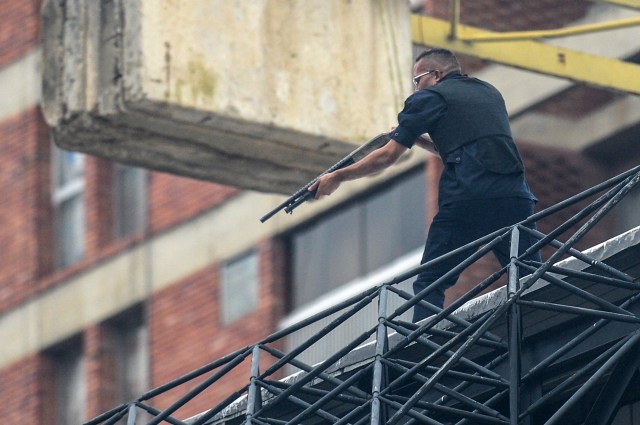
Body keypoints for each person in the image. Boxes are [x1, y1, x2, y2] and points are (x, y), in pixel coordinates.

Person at [309, 48, 540, 322]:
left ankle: (423, 346)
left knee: (430, 283)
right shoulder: (488, 92)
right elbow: (465, 148)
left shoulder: (429, 98)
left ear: (436, 74)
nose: (416, 88)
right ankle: (546, 322)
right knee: (529, 272)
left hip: (467, 199)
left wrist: (338, 177)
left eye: (417, 81)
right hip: (513, 195)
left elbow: (387, 156)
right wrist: (418, 138)